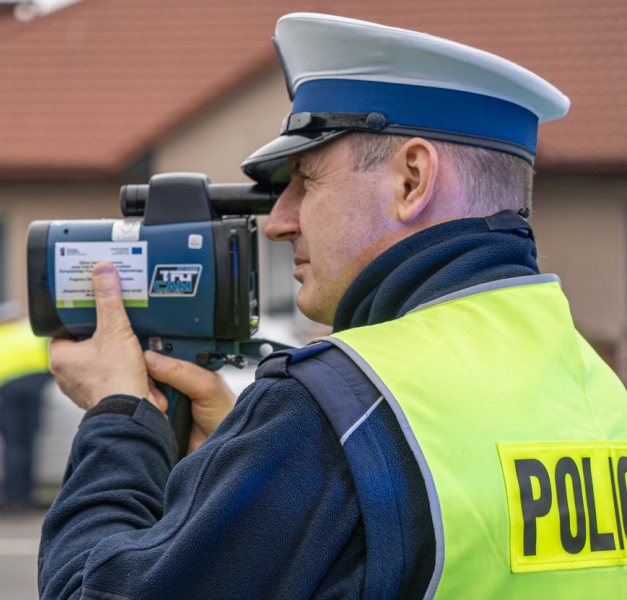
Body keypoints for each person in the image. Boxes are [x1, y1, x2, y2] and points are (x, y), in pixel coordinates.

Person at [39, 13, 627, 599]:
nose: (279, 221)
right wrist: (243, 458)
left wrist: (118, 418)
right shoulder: (600, 394)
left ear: (412, 180)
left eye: (307, 180)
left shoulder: (333, 411)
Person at [0, 300, 52, 512]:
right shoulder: (32, 332)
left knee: (12, 446)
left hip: (7, 392)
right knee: (29, 445)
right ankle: (28, 496)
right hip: (34, 389)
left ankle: (11, 498)